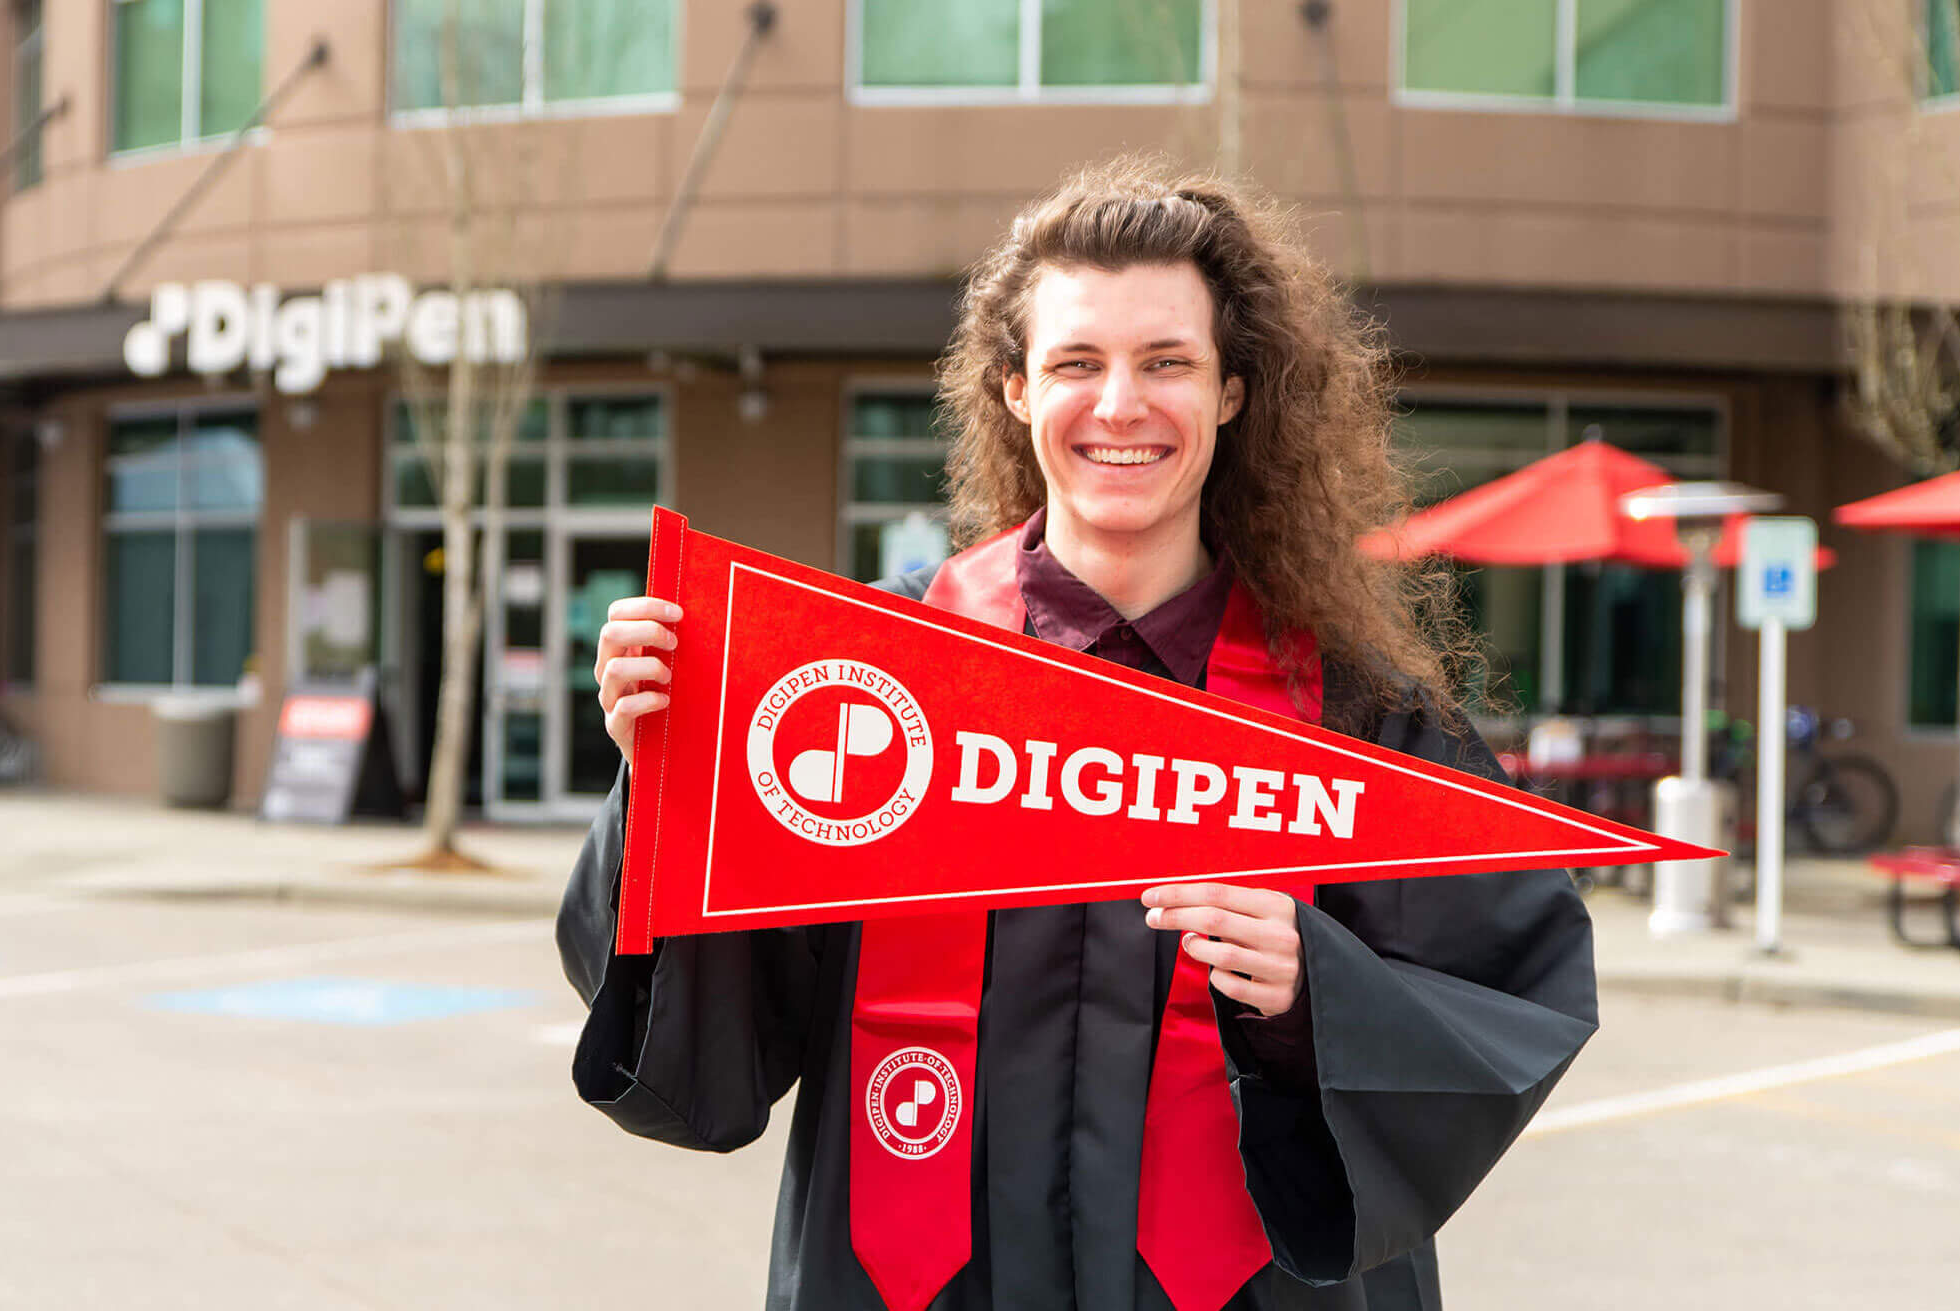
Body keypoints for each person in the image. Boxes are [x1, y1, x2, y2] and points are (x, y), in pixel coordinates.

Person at [557, 157, 1598, 1311]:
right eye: (1075, 363)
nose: (1119, 405)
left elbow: (1513, 984)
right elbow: (725, 1025)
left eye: (1167, 363)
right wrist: (669, 778)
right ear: (1013, 389)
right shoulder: (864, 686)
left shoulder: (1357, 716)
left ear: (1232, 392)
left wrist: (1320, 993)